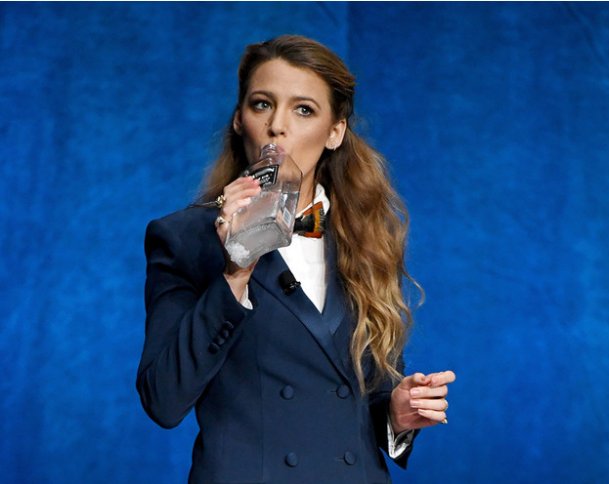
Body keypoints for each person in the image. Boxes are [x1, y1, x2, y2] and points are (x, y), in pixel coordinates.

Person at [136, 34, 456, 483]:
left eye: (303, 109)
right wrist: (236, 270)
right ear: (238, 119)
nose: (277, 126)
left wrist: (398, 416)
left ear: (335, 132)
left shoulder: (366, 239)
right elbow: (163, 400)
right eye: (262, 104)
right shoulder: (185, 238)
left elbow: (366, 399)